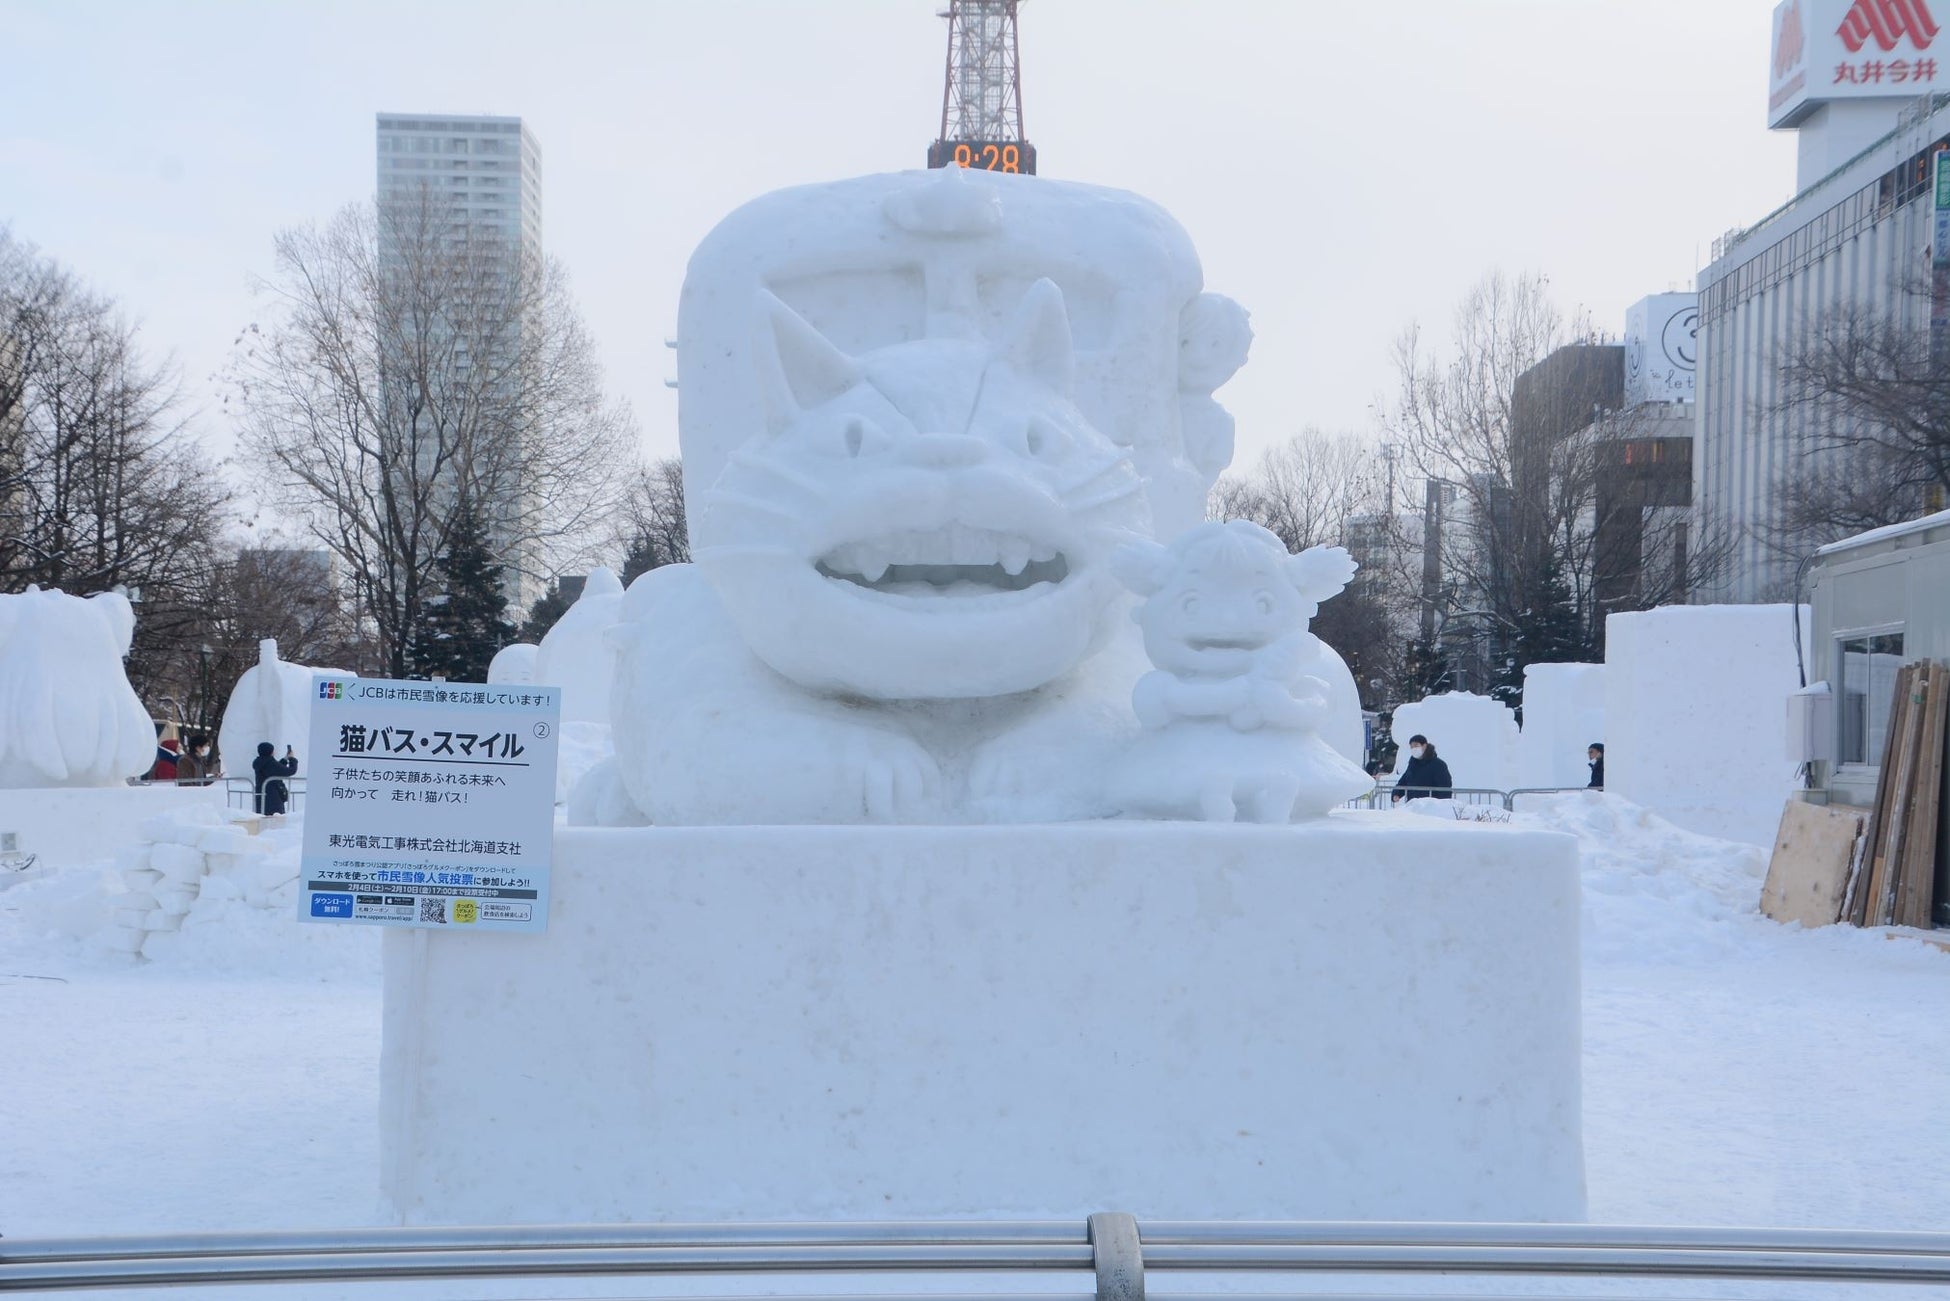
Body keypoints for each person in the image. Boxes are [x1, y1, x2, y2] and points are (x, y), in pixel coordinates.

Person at [1392, 734, 1453, 803]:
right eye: (1411, 747)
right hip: (1413, 806)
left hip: (1431, 807)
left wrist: (1442, 806)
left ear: (1424, 746)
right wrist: (1396, 793)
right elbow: (1404, 781)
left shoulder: (1438, 765)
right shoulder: (1412, 764)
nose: (1413, 749)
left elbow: (1445, 788)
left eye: (1416, 745)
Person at [252, 741, 299, 817]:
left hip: (262, 797)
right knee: (275, 822)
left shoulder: (260, 762)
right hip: (273, 799)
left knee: (262, 820)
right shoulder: (270, 763)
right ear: (270, 751)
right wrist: (292, 759)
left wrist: (285, 759)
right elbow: (290, 771)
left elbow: (276, 769)